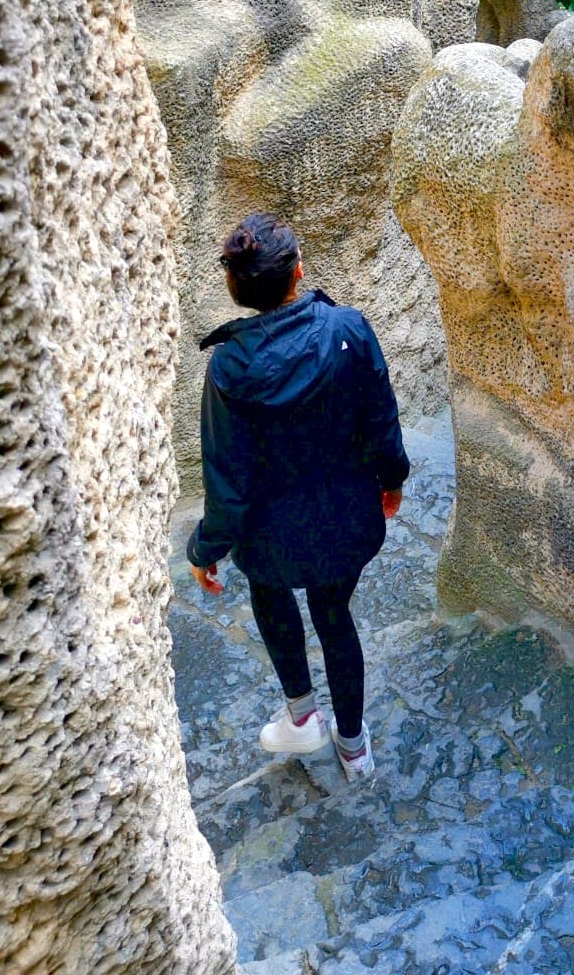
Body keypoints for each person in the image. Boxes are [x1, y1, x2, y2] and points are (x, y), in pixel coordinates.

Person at [186, 213, 409, 781]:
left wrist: (206, 546)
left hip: (268, 533)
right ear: (298, 271)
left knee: (270, 590)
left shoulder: (228, 366)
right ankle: (354, 748)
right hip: (345, 516)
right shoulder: (350, 328)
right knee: (335, 616)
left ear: (237, 291)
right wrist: (391, 481)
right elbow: (382, 420)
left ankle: (302, 717)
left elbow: (226, 477)